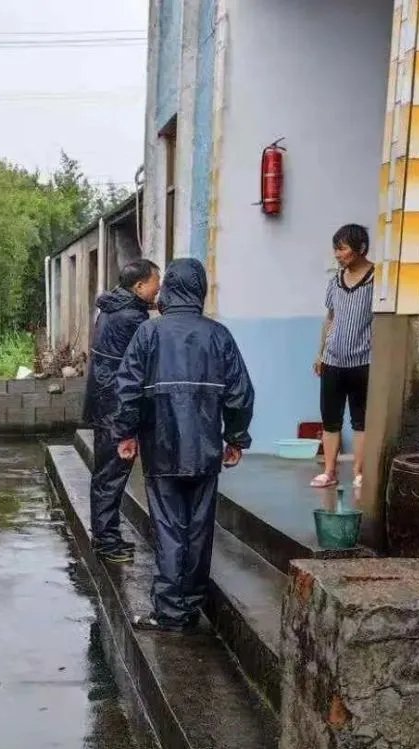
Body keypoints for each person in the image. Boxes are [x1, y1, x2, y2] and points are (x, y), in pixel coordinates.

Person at [113, 258, 254, 633]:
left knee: (169, 529)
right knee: (199, 529)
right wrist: (236, 438)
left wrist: (126, 433)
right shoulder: (219, 336)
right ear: (200, 290)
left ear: (169, 289)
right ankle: (189, 606)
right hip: (205, 450)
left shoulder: (148, 334)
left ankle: (169, 611)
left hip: (161, 448)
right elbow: (240, 393)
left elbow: (127, 388)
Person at [82, 258, 161, 563]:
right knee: (111, 475)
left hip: (104, 401)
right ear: (139, 286)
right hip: (116, 406)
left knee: (106, 474)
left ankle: (107, 535)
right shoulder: (132, 318)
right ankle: (106, 541)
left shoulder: (111, 308)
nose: (159, 290)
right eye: (155, 284)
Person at [312, 224, 374, 490]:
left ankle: (359, 473)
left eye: (342, 248)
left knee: (360, 421)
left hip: (363, 362)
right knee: (330, 420)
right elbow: (330, 318)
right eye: (335, 249)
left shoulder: (376, 280)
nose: (337, 254)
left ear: (361, 248)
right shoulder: (335, 281)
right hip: (333, 361)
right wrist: (320, 353)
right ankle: (329, 472)